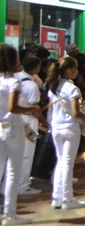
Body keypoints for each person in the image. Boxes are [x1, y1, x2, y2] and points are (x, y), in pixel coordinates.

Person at [45, 56, 85, 211]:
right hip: (69, 128)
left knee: (61, 161)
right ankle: (67, 198)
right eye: (75, 68)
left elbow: (50, 109)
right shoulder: (72, 89)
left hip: (56, 127)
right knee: (68, 163)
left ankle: (57, 197)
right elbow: (76, 113)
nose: (77, 71)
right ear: (69, 70)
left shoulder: (54, 86)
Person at [0, 45, 43, 225]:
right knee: (12, 172)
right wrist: (32, 108)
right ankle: (10, 214)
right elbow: (13, 107)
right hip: (13, 128)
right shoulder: (13, 82)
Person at [16, 56, 44, 198]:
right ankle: (23, 186)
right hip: (29, 121)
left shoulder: (16, 78)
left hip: (16, 119)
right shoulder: (31, 85)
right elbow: (35, 107)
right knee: (27, 154)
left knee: (15, 154)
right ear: (35, 68)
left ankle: (10, 185)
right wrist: (43, 120)